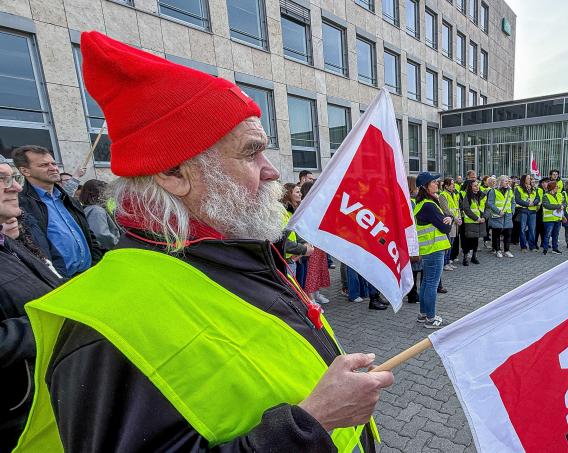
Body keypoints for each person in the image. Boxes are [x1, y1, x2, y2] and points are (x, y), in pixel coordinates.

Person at [14, 32, 393, 452]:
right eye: (251, 153)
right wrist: (312, 424)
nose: (271, 172)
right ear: (174, 174)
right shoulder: (107, 324)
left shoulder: (235, 254)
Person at [0, 159, 62, 451]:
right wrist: (49, 321)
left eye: (13, 177)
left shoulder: (8, 243)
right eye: (2, 179)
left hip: (51, 401)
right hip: (19, 424)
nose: (14, 187)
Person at [12, 145, 104, 278]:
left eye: (54, 163)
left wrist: (96, 261)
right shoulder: (21, 206)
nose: (53, 168)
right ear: (25, 171)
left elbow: (88, 234)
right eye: (44, 165)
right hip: (61, 282)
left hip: (90, 272)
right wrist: (56, 279)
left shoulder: (69, 199)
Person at [413, 172, 451, 328]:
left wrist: (447, 219)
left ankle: (423, 314)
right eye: (434, 182)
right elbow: (445, 227)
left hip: (428, 249)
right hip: (434, 249)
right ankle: (430, 318)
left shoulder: (422, 203)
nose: (437, 184)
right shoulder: (429, 205)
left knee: (426, 283)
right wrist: (449, 220)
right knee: (432, 284)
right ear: (425, 186)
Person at [299, 181, 334, 306]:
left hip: (319, 241)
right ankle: (310, 297)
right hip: (310, 241)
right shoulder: (305, 205)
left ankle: (317, 293)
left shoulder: (317, 203)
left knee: (320, 268)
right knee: (312, 270)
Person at [281, 183, 313, 279]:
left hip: (294, 256)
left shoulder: (291, 211)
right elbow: (281, 238)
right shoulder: (282, 212)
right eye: (297, 192)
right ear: (288, 194)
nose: (300, 194)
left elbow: (295, 232)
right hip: (286, 259)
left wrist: (304, 243)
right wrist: (302, 249)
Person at [79, 179, 121, 250]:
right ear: (98, 194)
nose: (109, 197)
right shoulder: (96, 210)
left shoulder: (89, 209)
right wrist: (120, 246)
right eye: (107, 193)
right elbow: (101, 234)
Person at [486, 175, 515, 258]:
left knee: (508, 233)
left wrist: (512, 211)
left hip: (508, 215)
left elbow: (513, 202)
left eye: (508, 181)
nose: (507, 182)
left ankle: (507, 250)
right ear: (500, 182)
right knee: (496, 234)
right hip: (497, 215)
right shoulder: (493, 191)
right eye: (506, 181)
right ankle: (498, 250)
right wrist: (498, 211)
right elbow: (490, 203)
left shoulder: (510, 190)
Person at [405, 175, 422, 304]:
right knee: (414, 267)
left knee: (415, 267)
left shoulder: (412, 201)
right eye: (416, 186)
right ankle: (412, 294)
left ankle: (412, 293)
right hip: (412, 238)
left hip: (413, 237)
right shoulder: (409, 202)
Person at [460, 179, 485, 265]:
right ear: (470, 187)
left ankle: (474, 257)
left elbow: (487, 207)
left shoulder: (482, 195)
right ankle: (465, 258)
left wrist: (484, 217)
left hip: (480, 221)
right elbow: (466, 209)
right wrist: (476, 218)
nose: (477, 187)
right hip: (470, 222)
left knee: (476, 240)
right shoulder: (467, 196)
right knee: (467, 240)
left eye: (477, 185)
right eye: (474, 185)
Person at [438, 178, 461, 271]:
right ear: (446, 186)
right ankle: (445, 263)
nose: (453, 185)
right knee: (448, 243)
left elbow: (457, 208)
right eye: (451, 184)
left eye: (453, 184)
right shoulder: (443, 195)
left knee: (452, 242)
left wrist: (459, 217)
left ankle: (448, 261)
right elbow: (445, 209)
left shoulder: (454, 194)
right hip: (449, 221)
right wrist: (456, 218)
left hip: (454, 221)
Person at [514, 174, 538, 251]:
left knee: (532, 229)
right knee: (522, 229)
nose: (530, 180)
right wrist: (528, 204)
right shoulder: (518, 188)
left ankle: (532, 246)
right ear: (524, 179)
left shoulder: (534, 188)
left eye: (530, 178)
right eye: (528, 178)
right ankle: (523, 246)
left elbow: (538, 198)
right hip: (523, 211)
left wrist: (534, 203)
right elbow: (518, 200)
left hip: (532, 211)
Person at [541, 181, 563, 254]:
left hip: (558, 218)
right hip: (549, 219)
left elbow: (564, 203)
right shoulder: (545, 196)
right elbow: (547, 205)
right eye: (556, 186)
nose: (558, 187)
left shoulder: (559, 195)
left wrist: (563, 206)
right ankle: (545, 249)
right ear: (552, 187)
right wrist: (559, 206)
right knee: (547, 235)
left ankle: (555, 248)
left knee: (556, 235)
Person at [534, 177, 549, 251]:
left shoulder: (550, 190)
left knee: (544, 228)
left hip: (547, 212)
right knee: (537, 228)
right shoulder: (538, 190)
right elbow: (537, 199)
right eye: (542, 183)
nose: (544, 184)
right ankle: (535, 243)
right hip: (539, 210)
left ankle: (543, 243)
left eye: (546, 182)